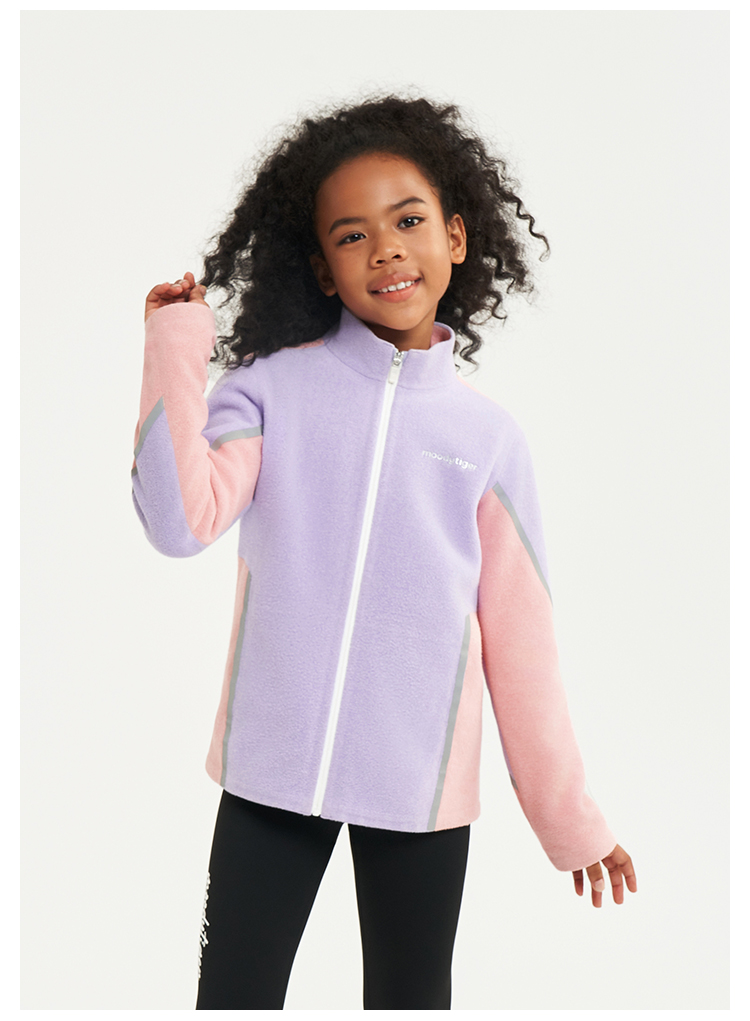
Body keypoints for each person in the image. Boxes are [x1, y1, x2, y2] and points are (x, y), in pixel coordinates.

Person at [132, 95, 637, 1010]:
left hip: (420, 794)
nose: (386, 250)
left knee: (410, 999)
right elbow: (179, 521)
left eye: (407, 222)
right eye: (351, 235)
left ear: (455, 236)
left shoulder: (487, 441)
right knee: (231, 994)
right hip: (269, 776)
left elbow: (523, 654)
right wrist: (175, 345)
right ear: (323, 270)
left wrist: (571, 823)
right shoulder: (271, 391)